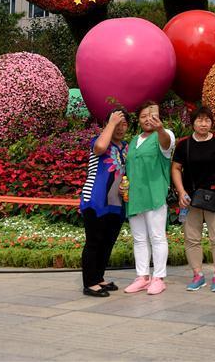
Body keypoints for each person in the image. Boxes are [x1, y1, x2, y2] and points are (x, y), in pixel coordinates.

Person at [171, 106, 215, 292]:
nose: (203, 124)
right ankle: (197, 274)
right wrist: (181, 192)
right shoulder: (184, 144)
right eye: (199, 120)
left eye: (207, 120)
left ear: (211, 123)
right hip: (190, 197)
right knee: (192, 238)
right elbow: (175, 168)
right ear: (193, 122)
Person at [124, 101, 175, 295]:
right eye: (144, 116)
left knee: (157, 237)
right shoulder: (134, 140)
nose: (148, 119)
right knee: (139, 239)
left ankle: (158, 278)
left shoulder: (164, 134)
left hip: (154, 194)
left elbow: (166, 145)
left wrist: (160, 128)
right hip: (135, 197)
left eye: (152, 115)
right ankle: (142, 277)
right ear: (138, 119)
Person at [80, 109, 128, 297]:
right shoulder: (98, 141)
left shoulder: (125, 147)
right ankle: (89, 283)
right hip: (95, 200)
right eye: (116, 123)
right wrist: (111, 122)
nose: (119, 127)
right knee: (94, 241)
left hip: (115, 202)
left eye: (123, 123)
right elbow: (100, 147)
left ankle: (98, 278)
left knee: (107, 242)